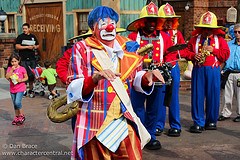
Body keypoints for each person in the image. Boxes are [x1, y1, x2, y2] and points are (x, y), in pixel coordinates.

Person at [64, 6, 165, 159]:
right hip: (94, 124)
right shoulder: (82, 48)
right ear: (93, 27)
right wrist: (94, 79)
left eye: (112, 22)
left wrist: (147, 77)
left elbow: (135, 78)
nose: (110, 26)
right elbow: (73, 86)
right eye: (103, 23)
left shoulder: (127, 46)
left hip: (123, 118)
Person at [127, 2, 173, 149]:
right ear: (142, 22)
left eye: (155, 20)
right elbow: (127, 57)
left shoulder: (164, 37)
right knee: (137, 107)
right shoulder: (132, 36)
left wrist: (165, 65)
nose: (152, 23)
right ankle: (140, 135)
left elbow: (170, 56)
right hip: (138, 78)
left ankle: (151, 135)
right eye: (149, 20)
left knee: (155, 108)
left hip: (157, 78)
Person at [180, 11, 230, 133]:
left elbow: (226, 55)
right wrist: (193, 56)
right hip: (199, 69)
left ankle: (211, 120)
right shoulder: (194, 40)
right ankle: (198, 122)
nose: (207, 31)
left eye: (209, 29)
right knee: (197, 95)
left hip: (213, 70)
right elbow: (185, 52)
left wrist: (214, 50)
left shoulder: (220, 40)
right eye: (204, 28)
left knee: (213, 95)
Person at [155, 3, 185, 137]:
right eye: (165, 20)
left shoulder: (177, 33)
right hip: (160, 68)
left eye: (170, 20)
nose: (168, 23)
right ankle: (158, 125)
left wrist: (178, 50)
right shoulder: (157, 34)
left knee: (173, 97)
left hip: (173, 67)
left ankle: (175, 125)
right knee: (160, 97)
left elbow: (184, 50)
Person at [218, 23, 240, 122]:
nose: (237, 34)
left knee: (239, 95)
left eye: (239, 32)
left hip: (239, 72)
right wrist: (219, 70)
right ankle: (226, 113)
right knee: (227, 94)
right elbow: (224, 59)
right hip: (229, 72)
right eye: (235, 32)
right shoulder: (229, 44)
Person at [15, 23, 39, 96]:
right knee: (24, 74)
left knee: (31, 74)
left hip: (32, 58)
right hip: (23, 58)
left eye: (26, 28)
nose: (24, 30)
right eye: (23, 29)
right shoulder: (20, 37)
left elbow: (38, 45)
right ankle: (24, 90)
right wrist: (26, 47)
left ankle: (31, 89)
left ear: (29, 29)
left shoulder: (33, 36)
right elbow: (17, 46)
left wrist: (34, 47)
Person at [5, 53, 28, 125]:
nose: (14, 63)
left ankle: (21, 115)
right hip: (12, 89)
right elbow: (7, 77)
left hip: (20, 88)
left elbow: (26, 77)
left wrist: (21, 80)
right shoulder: (9, 68)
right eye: (12, 62)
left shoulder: (22, 68)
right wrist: (11, 70)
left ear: (18, 61)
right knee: (15, 104)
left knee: (17, 102)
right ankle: (17, 116)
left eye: (15, 61)